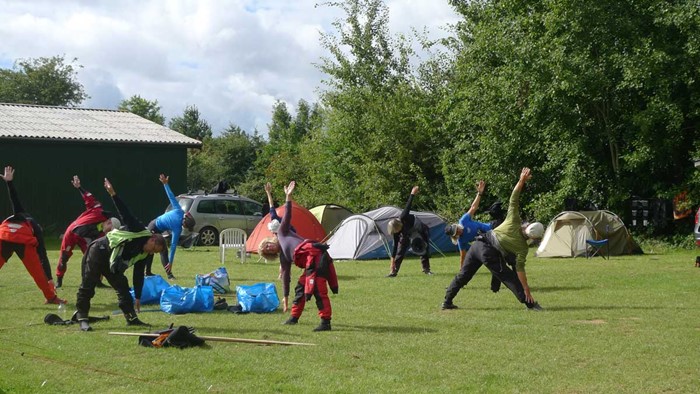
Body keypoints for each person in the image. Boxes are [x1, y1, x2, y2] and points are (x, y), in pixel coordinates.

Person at [441, 167, 545, 311]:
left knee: (463, 276)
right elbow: (520, 272)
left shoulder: (514, 220)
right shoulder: (523, 248)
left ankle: (447, 301)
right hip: (489, 251)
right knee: (509, 277)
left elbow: (514, 198)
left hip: (477, 244)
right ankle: (530, 304)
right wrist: (526, 289)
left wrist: (521, 181)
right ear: (534, 238)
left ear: (527, 225)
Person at [74, 178, 166, 331]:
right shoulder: (138, 230)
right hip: (100, 250)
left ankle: (131, 318)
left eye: (155, 253)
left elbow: (138, 274)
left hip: (113, 262)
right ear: (152, 239)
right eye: (153, 249)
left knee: (122, 286)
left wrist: (137, 296)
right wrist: (113, 194)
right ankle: (82, 317)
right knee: (88, 284)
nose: (151, 253)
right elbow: (126, 214)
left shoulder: (145, 254)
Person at [258, 181, 338, 332]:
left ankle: (325, 322)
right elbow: (285, 278)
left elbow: (286, 215)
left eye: (267, 245)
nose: (269, 248)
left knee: (318, 289)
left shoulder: (282, 232)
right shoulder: (284, 258)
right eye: (267, 251)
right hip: (310, 263)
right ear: (271, 255)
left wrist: (288, 197)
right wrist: (285, 297)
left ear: (270, 240)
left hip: (316, 256)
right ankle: (294, 318)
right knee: (300, 288)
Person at [0, 166, 66, 305]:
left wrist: (9, 182)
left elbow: (14, 199)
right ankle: (51, 298)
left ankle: (51, 297)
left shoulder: (20, 213)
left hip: (4, 233)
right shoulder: (36, 228)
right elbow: (42, 256)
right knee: (37, 273)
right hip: (22, 238)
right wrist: (49, 278)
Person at [55, 175, 121, 289]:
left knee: (96, 257)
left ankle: (97, 282)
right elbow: (89, 199)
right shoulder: (98, 211)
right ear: (109, 222)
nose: (109, 232)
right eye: (110, 229)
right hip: (72, 233)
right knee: (64, 258)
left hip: (84, 239)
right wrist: (79, 187)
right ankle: (59, 280)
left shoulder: (101, 235)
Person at [145, 174, 195, 280]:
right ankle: (150, 272)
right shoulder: (178, 226)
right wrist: (165, 185)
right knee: (151, 249)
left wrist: (165, 184)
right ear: (185, 221)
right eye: (186, 226)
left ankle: (165, 273)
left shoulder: (179, 211)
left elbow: (173, 247)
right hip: (153, 226)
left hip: (159, 228)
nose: (185, 228)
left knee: (163, 250)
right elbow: (171, 196)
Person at [444, 180, 492, 268]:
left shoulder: (463, 221)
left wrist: (479, 193)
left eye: (457, 229)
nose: (459, 231)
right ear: (455, 236)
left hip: (491, 228)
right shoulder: (461, 241)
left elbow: (473, 207)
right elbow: (463, 256)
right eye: (456, 233)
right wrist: (462, 270)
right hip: (487, 240)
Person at [386, 186, 432, 277]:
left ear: (400, 226)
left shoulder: (403, 217)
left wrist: (412, 194)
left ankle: (426, 269)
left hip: (418, 228)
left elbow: (408, 206)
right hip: (408, 233)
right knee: (400, 249)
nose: (397, 233)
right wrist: (392, 261)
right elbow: (395, 246)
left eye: (398, 231)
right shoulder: (396, 231)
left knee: (422, 246)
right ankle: (393, 272)